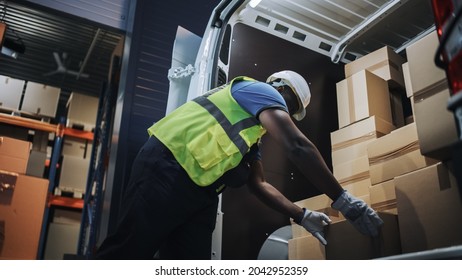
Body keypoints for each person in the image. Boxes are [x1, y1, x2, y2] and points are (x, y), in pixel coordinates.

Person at [95, 70, 383, 260]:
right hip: (167, 164)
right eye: (290, 103)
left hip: (198, 191)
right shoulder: (258, 90)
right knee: (129, 251)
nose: (286, 112)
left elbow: (258, 185)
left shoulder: (251, 138)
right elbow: (297, 146)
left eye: (292, 111)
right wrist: (342, 199)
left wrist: (301, 214)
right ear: (278, 86)